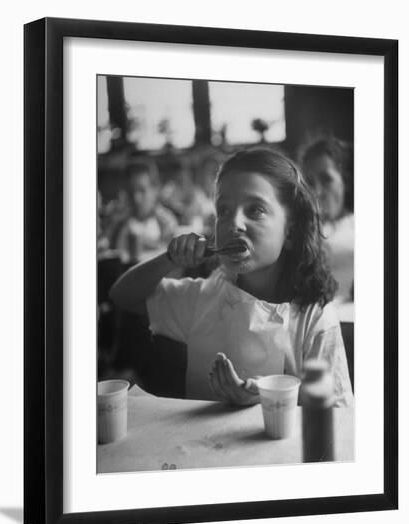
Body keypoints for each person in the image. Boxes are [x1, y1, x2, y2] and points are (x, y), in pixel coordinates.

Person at [110, 148, 353, 407]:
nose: (233, 223)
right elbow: (122, 296)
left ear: (290, 231)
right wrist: (169, 259)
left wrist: (270, 396)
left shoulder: (313, 317)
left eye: (255, 209)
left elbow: (336, 414)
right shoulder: (202, 299)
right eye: (224, 210)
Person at [301, 138, 354, 303]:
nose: (317, 192)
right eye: (309, 182)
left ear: (345, 181)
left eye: (326, 179)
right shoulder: (296, 232)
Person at [113, 158, 178, 263]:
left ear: (155, 189)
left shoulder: (166, 221)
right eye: (131, 191)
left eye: (142, 190)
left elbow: (172, 259)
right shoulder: (119, 222)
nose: (136, 198)